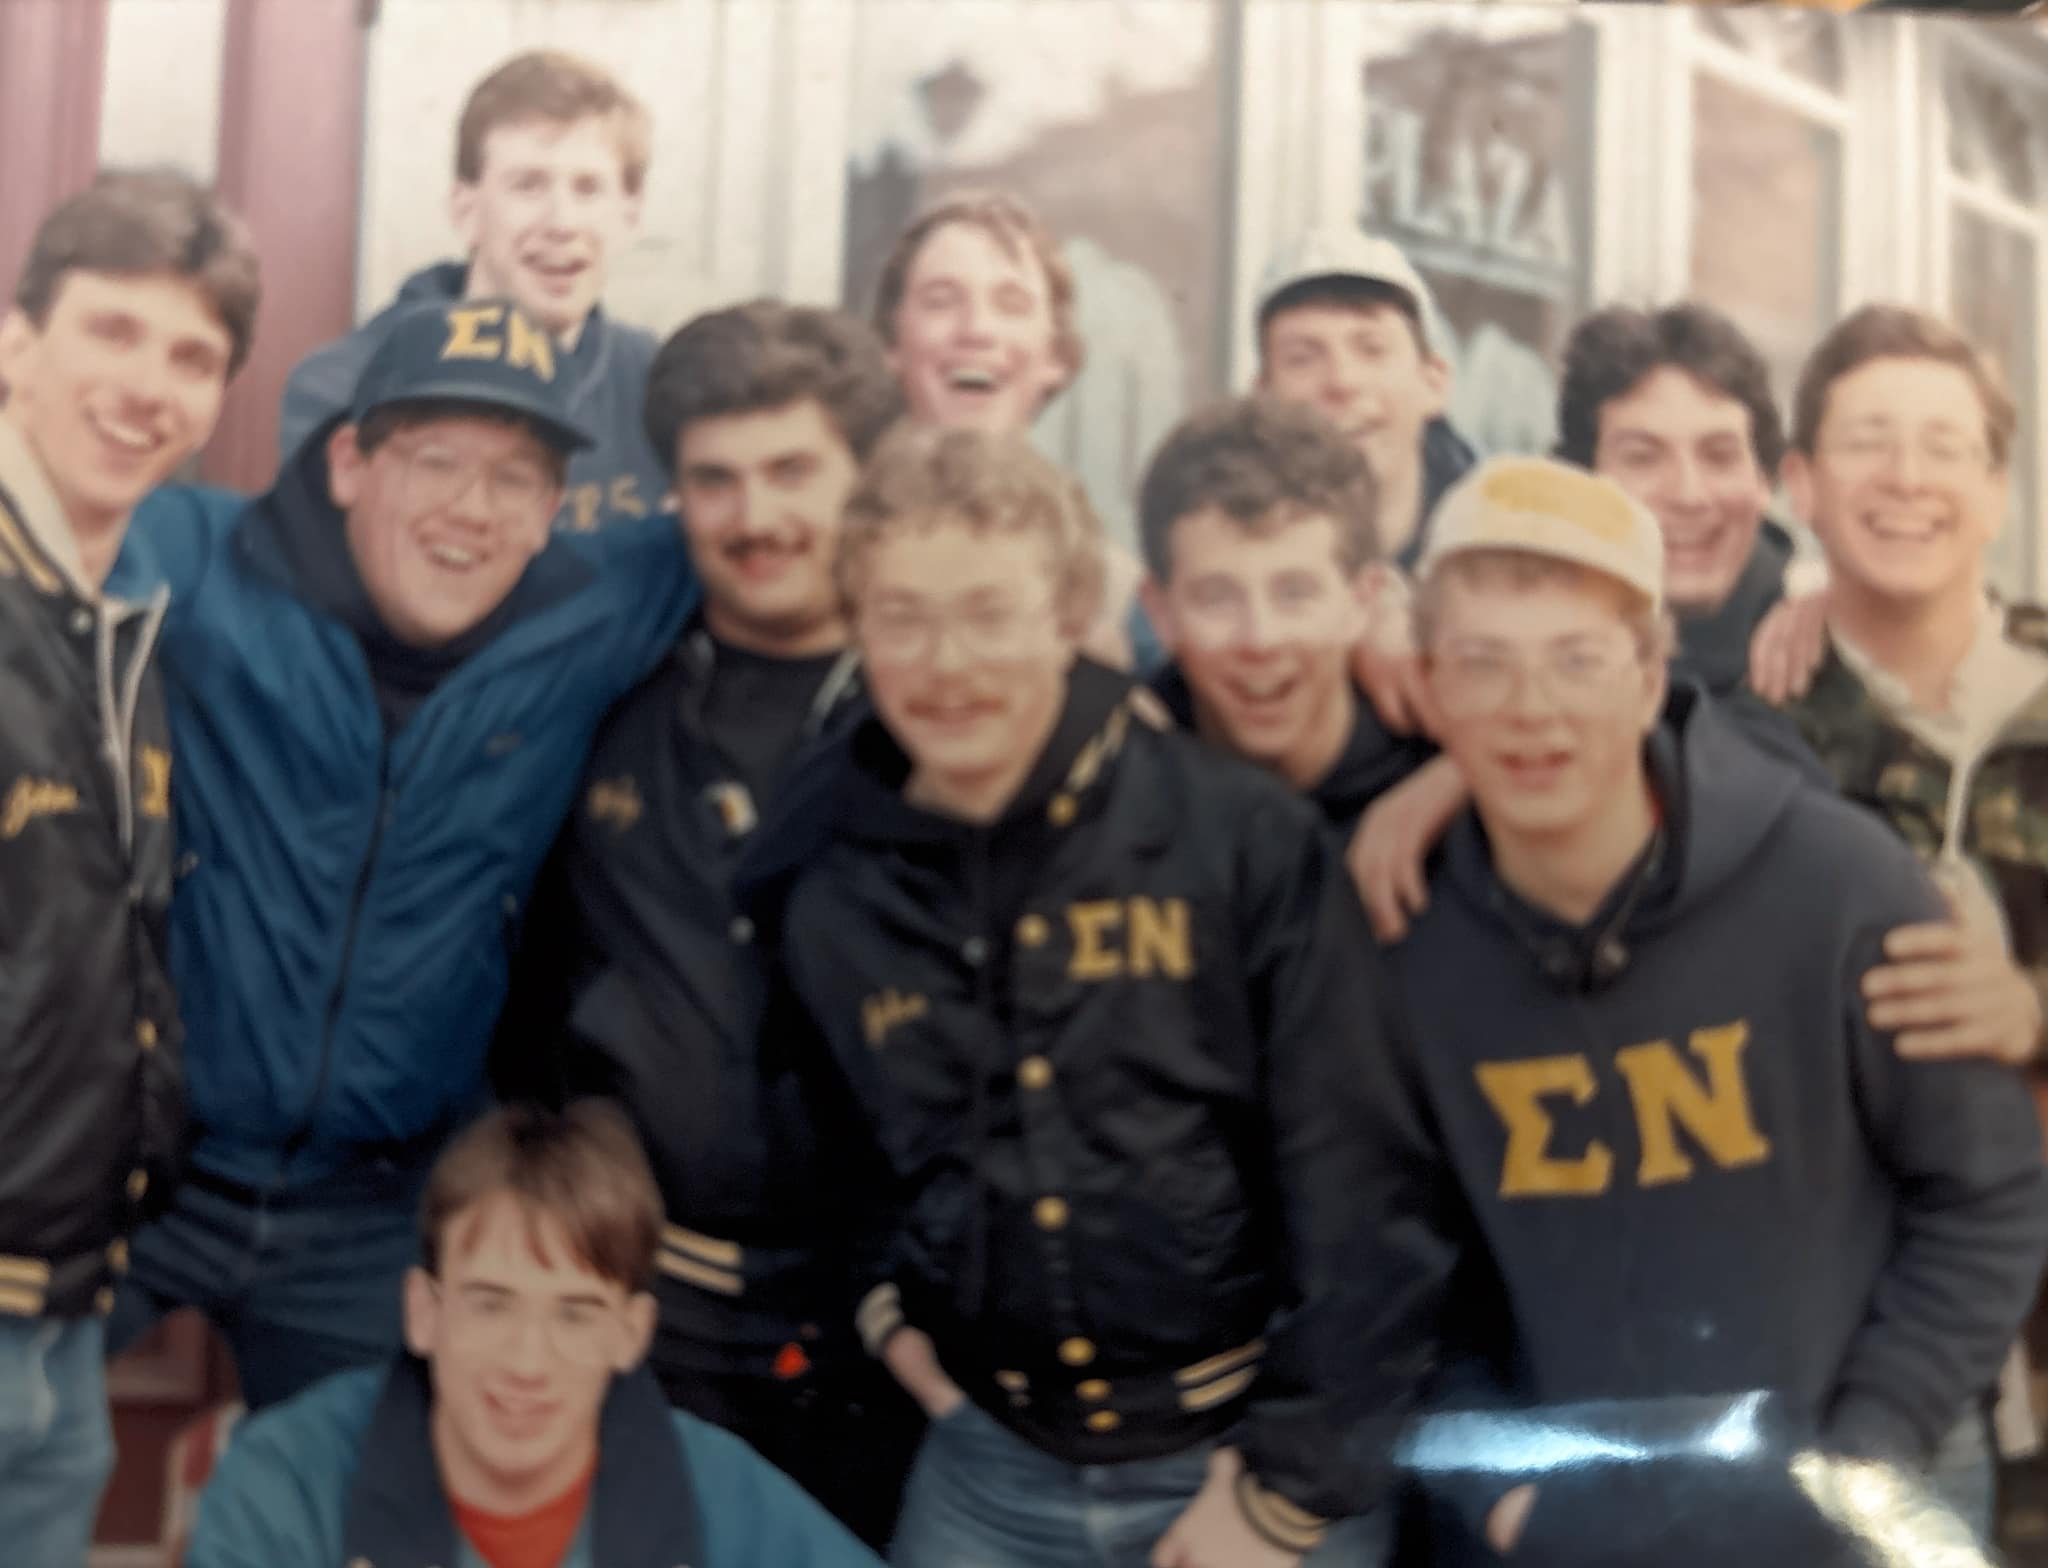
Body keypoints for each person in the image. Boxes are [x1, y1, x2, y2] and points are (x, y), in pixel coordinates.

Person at [770, 422, 1461, 1567]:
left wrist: (1283, 1498)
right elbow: (832, 1152)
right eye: (903, 617)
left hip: (1245, 1460)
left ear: (1069, 613)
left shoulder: (1234, 838)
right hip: (990, 1469)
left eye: (990, 612)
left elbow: (1366, 1195)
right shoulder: (833, 890)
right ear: (857, 628)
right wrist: (884, 1308)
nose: (949, 664)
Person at [1389, 455, 2048, 1563]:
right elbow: (1392, 1265)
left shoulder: (1836, 884)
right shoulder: (1407, 947)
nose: (1531, 708)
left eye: (1576, 661)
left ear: (1650, 672)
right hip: (1573, 1532)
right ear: (1428, 683)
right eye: (1483, 665)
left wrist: (1865, 1455)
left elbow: (1982, 1194)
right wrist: (1509, 1501)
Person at [104, 296, 696, 1408]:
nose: (471, 510)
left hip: (375, 1205)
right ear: (346, 463)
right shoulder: (201, 555)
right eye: (434, 460)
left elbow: (788, 525)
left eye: (515, 477)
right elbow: (36, 517)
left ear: (551, 510)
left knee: (385, 1510)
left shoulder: (590, 608)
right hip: (145, 1165)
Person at [498, 300, 922, 1546]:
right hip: (641, 1311)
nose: (755, 516)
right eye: (715, 479)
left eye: (794, 470)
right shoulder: (608, 692)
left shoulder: (946, 715)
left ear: (863, 478)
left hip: (878, 1329)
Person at [0, 166, 258, 1568]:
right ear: (16, 340)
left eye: (192, 356)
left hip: (63, 1308)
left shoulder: (114, 623)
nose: (147, 386)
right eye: (111, 330)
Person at [1778, 304, 2048, 1526]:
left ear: (1995, 491)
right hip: (1859, 1366)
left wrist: (2031, 1006)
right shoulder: (1741, 741)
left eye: (1944, 445)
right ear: (1799, 482)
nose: (1904, 478)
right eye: (1866, 440)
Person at [184, 1100, 882, 1568]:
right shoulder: (287, 1484)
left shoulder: (721, 1497)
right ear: (424, 1313)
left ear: (631, 1334)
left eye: (574, 1314)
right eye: (491, 1304)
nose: (527, 1361)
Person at [280, 49, 668, 534]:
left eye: (588, 189)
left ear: (629, 215)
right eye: (528, 185)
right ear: (466, 210)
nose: (562, 223)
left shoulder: (656, 383)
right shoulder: (345, 384)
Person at [871, 188, 1144, 668]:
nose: (976, 329)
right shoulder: (830, 550)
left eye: (1010, 304)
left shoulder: (1115, 592)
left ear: (1057, 356)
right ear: (892, 343)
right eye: (940, 301)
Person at [1135, 395, 1432, 835]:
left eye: (1295, 594)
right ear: (1160, 612)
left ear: (1362, 600)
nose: (1260, 638)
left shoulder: (1456, 781)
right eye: (1216, 598)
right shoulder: (1117, 779)